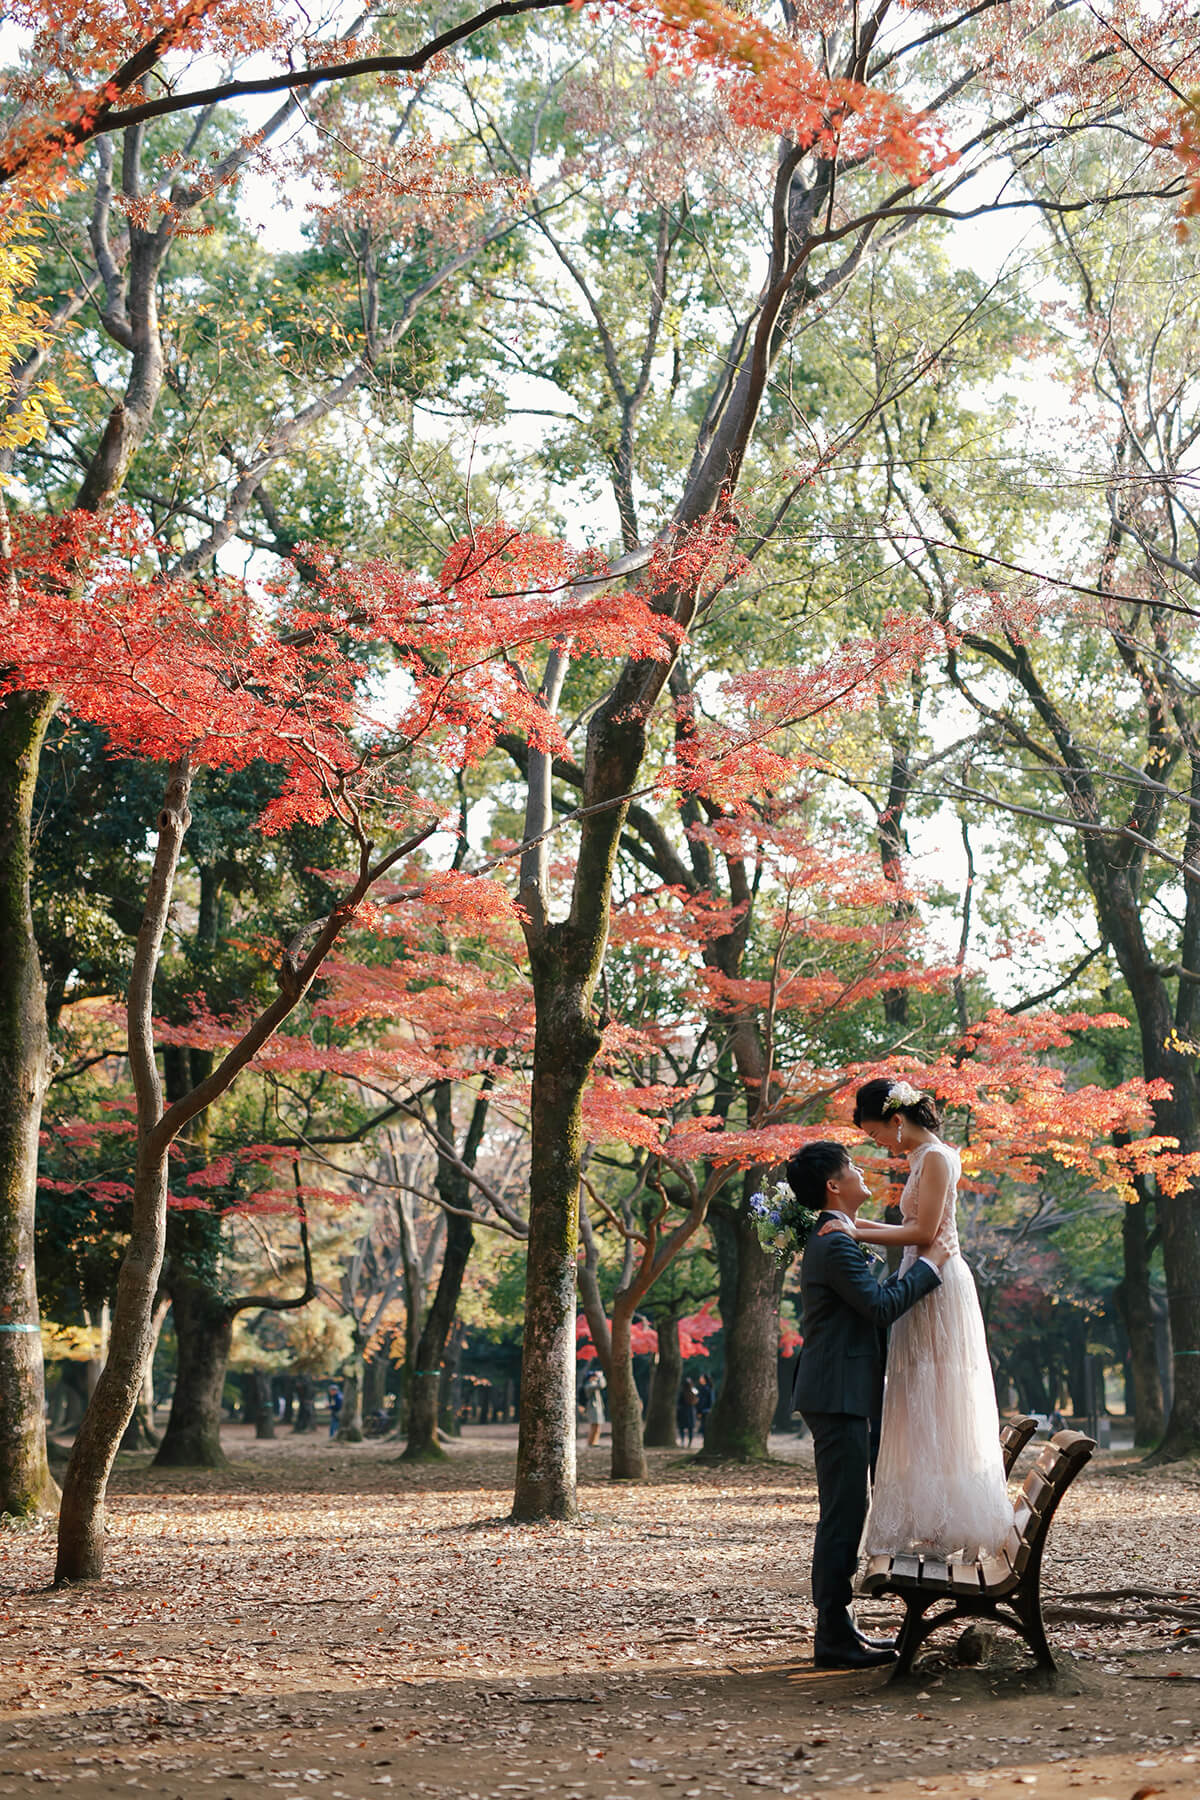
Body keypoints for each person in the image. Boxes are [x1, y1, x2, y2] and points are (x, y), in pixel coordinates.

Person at [820, 1078, 1014, 1568]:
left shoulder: (934, 1158)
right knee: (917, 1393)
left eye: (877, 1133)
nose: (879, 1143)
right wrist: (849, 1225)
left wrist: (853, 1226)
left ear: (897, 1120)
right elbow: (912, 1235)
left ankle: (944, 1519)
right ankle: (930, 1517)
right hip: (919, 1273)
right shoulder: (921, 1158)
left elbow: (926, 1232)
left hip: (937, 1282)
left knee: (936, 1391)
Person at [789, 1138, 951, 1670]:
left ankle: (841, 1629)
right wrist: (930, 1267)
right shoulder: (833, 1241)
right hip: (836, 1394)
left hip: (839, 1390)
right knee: (841, 1516)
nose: (862, 1172)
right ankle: (832, 1636)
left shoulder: (839, 1234)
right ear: (834, 1185)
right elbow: (880, 1308)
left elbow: (866, 1301)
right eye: (852, 1167)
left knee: (844, 1512)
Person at [580, 1367, 606, 1446]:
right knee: (594, 1426)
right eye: (594, 1376)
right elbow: (601, 1385)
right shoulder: (589, 1386)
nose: (595, 1378)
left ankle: (594, 1442)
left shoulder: (592, 1385)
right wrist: (601, 1377)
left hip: (596, 1408)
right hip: (592, 1408)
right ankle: (591, 1442)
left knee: (597, 1426)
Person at [676, 1375, 699, 1447]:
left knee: (683, 1428)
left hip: (684, 1411)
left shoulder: (683, 1391)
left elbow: (679, 1402)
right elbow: (697, 1400)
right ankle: (689, 1442)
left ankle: (684, 1441)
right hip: (690, 1411)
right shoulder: (693, 1391)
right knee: (690, 1428)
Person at [695, 1372, 714, 1441]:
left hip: (705, 1411)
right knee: (704, 1428)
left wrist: (700, 1411)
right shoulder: (702, 1388)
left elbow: (707, 1401)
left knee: (705, 1428)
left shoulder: (706, 1389)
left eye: (701, 1377)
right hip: (703, 1411)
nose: (700, 1379)